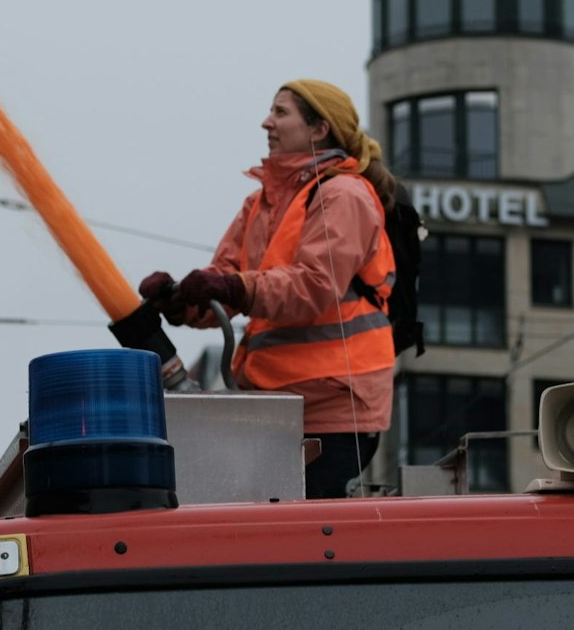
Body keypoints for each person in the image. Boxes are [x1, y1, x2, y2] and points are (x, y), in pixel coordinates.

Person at [141, 79, 398, 498]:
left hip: (332, 409)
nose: (267, 122)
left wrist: (231, 286)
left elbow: (315, 286)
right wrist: (179, 301)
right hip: (273, 404)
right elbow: (227, 283)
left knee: (299, 538)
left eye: (281, 112)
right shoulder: (262, 203)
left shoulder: (343, 194)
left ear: (319, 129)